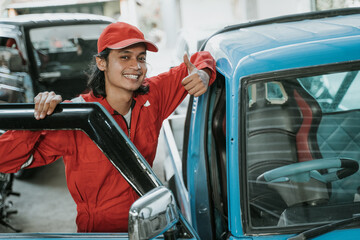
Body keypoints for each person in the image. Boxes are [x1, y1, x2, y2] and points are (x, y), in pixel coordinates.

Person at [0, 22, 216, 232]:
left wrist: (204, 73)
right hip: (101, 233)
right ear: (101, 63)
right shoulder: (77, 118)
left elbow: (202, 57)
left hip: (148, 225)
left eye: (141, 58)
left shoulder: (153, 95)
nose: (136, 66)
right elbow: (4, 158)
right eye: (124, 57)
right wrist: (36, 119)